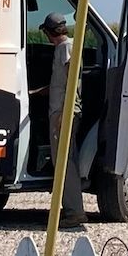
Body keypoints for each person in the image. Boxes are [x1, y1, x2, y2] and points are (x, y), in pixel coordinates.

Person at [41, 13, 85, 229]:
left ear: (50, 32)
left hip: (63, 114)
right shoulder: (63, 49)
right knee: (64, 162)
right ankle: (70, 209)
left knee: (66, 163)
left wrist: (63, 115)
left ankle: (74, 212)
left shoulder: (66, 49)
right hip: (60, 111)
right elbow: (59, 84)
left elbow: (71, 84)